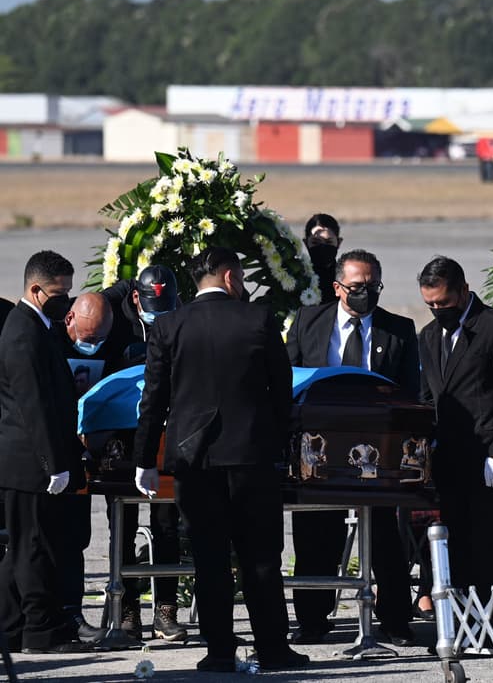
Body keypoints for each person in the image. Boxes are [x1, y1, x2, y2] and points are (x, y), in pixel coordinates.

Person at [134, 247, 307, 672]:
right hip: (250, 455)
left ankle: (219, 652)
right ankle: (272, 648)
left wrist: (145, 460)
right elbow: (281, 390)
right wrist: (277, 443)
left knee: (209, 559)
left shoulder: (169, 325)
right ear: (230, 277)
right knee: (261, 557)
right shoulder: (258, 319)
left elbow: (153, 400)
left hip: (194, 460)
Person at [286, 248, 418, 646]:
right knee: (316, 534)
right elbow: (290, 378)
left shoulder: (398, 330)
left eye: (373, 286)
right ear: (338, 287)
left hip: (377, 449)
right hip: (319, 445)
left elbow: (411, 391)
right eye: (358, 286)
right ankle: (312, 618)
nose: (366, 293)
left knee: (384, 536)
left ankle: (395, 619)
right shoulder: (309, 322)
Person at [418, 256, 493, 604]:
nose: (438, 310)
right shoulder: (429, 336)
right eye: (431, 304)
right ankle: (463, 619)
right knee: (455, 545)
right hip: (449, 460)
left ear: (464, 291)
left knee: (489, 545)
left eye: (444, 303)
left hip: (487, 459)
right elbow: (429, 397)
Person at [0, 251, 93, 654]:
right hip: (30, 463)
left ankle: (9, 627)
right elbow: (32, 406)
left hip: (32, 460)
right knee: (34, 550)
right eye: (59, 294)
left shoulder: (37, 326)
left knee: (24, 548)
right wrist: (52, 464)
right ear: (36, 290)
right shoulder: (23, 332)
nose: (66, 301)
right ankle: (40, 633)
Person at [100, 265, 187, 642]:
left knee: (167, 524)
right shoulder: (115, 323)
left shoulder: (181, 318)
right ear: (136, 298)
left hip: (167, 436)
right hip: (123, 438)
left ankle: (166, 609)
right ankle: (127, 609)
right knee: (122, 526)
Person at [52, 292, 114, 644]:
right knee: (44, 539)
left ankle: (72, 613)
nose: (94, 344)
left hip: (82, 452)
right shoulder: (48, 339)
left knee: (76, 537)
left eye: (100, 338)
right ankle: (45, 615)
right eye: (89, 337)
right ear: (70, 319)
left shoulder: (111, 342)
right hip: (48, 452)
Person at [303, 213, 343, 304]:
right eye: (315, 242)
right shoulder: (298, 275)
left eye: (328, 242)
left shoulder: (344, 278)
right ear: (306, 243)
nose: (322, 247)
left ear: (339, 242)